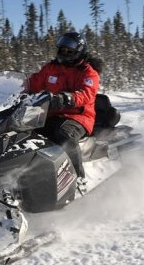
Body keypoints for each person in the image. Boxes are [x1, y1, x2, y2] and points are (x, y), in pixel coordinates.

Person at [27, 32, 100, 188]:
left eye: (69, 51)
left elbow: (86, 94)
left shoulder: (88, 72)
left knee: (64, 135)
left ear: (79, 51)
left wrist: (67, 98)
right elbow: (32, 83)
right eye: (62, 49)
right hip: (49, 114)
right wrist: (6, 91)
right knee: (24, 133)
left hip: (78, 116)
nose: (65, 53)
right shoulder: (51, 68)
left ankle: (79, 181)